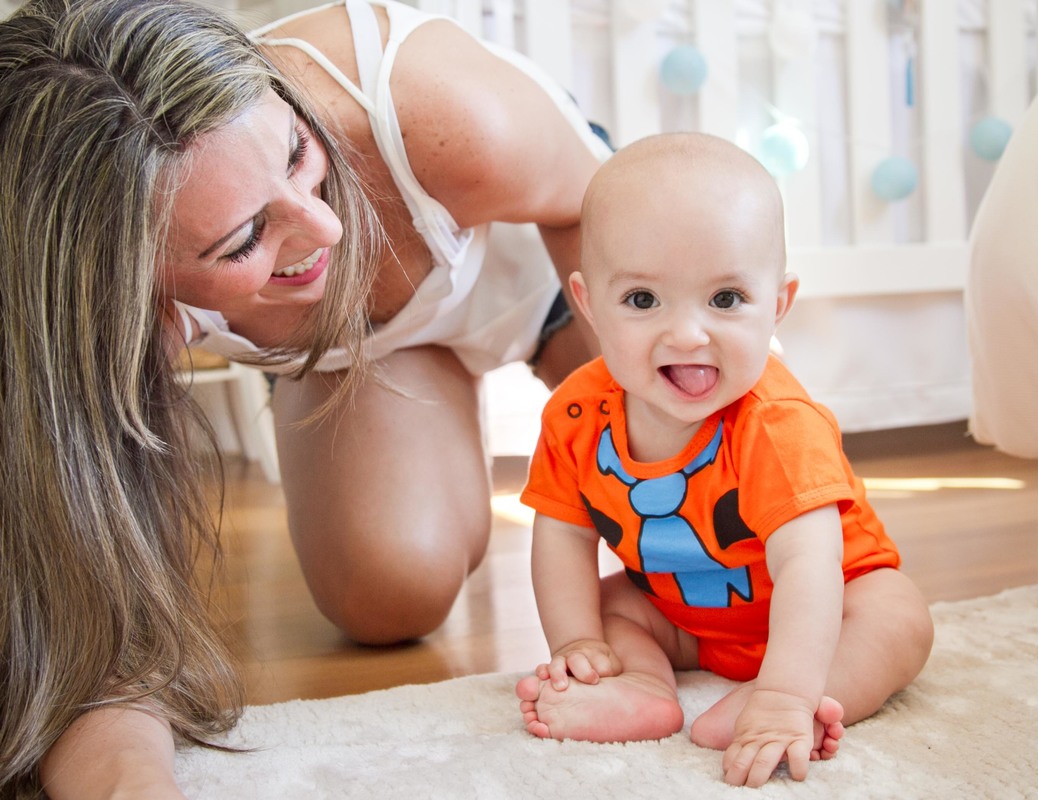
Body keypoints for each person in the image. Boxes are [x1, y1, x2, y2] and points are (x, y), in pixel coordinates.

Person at [0, 0, 608, 796]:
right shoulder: (76, 315)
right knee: (389, 597)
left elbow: (616, 229)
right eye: (244, 238)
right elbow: (89, 636)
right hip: (358, 347)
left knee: (692, 492)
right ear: (124, 285)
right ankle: (427, 394)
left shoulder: (442, 109)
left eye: (294, 152)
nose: (324, 226)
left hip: (562, 265)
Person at [514, 132, 935, 787]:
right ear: (589, 304)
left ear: (777, 305)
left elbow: (808, 567)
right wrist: (579, 645)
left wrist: (786, 693)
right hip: (681, 615)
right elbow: (562, 535)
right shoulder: (576, 413)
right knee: (611, 608)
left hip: (827, 602)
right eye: (644, 300)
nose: (687, 333)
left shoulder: (776, 424)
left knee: (899, 619)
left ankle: (782, 698)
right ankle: (642, 689)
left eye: (726, 299)